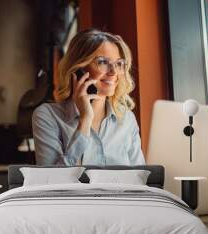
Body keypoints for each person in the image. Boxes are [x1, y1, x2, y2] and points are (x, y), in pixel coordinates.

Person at [32, 29, 145, 166]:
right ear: (78, 69)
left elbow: (140, 178)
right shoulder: (47, 116)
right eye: (103, 62)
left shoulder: (127, 119)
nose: (114, 72)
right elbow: (50, 181)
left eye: (119, 64)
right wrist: (84, 121)